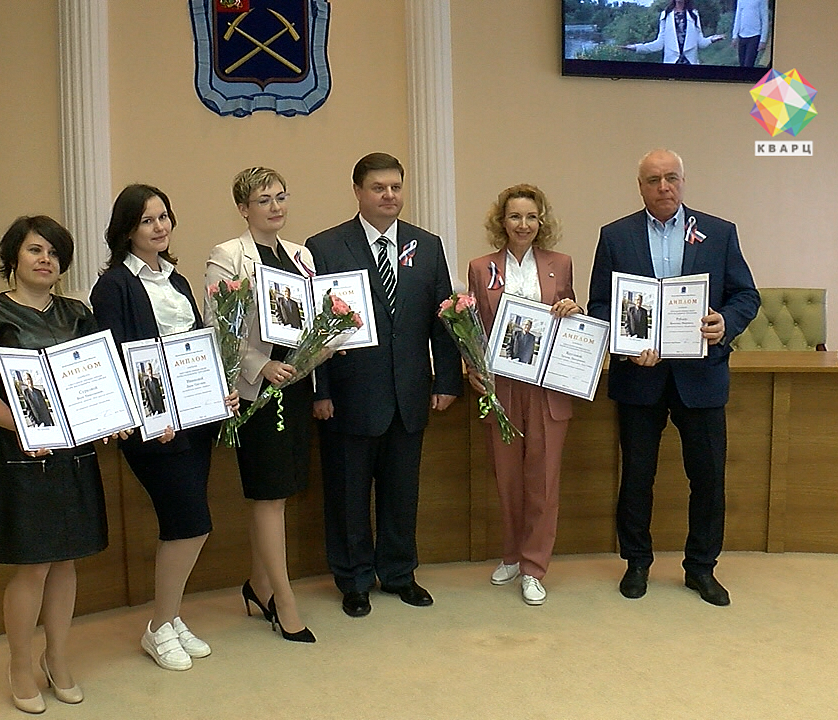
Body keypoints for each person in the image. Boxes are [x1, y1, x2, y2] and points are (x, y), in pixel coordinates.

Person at [587, 149, 759, 607]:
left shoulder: (719, 232)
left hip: (701, 377)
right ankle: (636, 562)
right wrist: (625, 342)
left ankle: (701, 567)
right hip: (638, 377)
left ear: (683, 181)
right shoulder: (615, 235)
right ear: (640, 186)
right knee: (636, 476)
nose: (663, 187)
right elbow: (600, 303)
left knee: (708, 478)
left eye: (671, 178)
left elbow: (746, 295)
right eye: (653, 180)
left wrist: (725, 323)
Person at [0, 215, 112, 713]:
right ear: (13, 257)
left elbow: (99, 379)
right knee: (33, 566)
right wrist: (23, 428)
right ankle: (20, 665)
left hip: (73, 454)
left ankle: (57, 657)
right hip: (19, 454)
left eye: (54, 253)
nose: (46, 260)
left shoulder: (78, 313)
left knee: (66, 560)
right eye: (35, 250)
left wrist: (111, 416)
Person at [89, 183, 240, 671]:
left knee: (187, 525)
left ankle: (170, 618)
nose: (159, 227)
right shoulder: (113, 286)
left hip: (193, 422)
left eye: (163, 217)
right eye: (147, 220)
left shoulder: (176, 280)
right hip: (154, 427)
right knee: (189, 524)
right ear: (127, 229)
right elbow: (118, 358)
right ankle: (158, 626)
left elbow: (194, 347)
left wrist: (218, 389)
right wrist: (154, 414)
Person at [306, 152, 461, 617]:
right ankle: (354, 579)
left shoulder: (426, 245)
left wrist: (447, 379)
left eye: (395, 187)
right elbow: (314, 328)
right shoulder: (325, 246)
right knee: (348, 495)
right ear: (358, 191)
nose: (389, 195)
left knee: (402, 492)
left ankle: (398, 573)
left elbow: (443, 318)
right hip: (349, 395)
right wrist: (320, 390)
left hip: (409, 392)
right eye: (378, 188)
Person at [205, 167, 317, 643]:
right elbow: (217, 325)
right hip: (256, 393)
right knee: (268, 496)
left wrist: (327, 343)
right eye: (264, 200)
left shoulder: (301, 254)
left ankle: (259, 585)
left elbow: (312, 316)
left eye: (281, 197)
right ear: (243, 209)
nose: (275, 206)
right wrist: (260, 365)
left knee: (280, 494)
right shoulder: (227, 255)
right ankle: (284, 602)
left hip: (296, 387)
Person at [467, 184, 580, 606]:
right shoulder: (481, 268)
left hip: (547, 388)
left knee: (543, 480)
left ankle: (535, 566)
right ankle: (512, 555)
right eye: (515, 216)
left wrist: (574, 310)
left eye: (531, 217)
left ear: (541, 221)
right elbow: (474, 328)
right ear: (502, 221)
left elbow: (572, 321)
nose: (524, 224)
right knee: (508, 477)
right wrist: (473, 369)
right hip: (502, 386)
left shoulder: (560, 264)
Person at [625, 0, 723, 65]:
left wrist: (712, 39)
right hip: (671, 64)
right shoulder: (666, 15)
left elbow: (700, 42)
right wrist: (637, 48)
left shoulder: (693, 14)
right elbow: (659, 44)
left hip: (690, 63)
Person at [731, 0, 770, 67]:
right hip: (742, 36)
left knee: (748, 64)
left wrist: (763, 40)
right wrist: (734, 36)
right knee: (742, 64)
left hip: (755, 36)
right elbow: (738, 17)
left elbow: (764, 19)